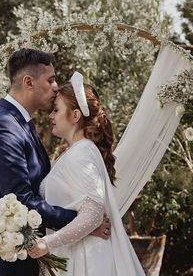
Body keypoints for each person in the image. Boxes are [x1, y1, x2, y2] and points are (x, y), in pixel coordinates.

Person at [0, 49, 109, 276]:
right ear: (28, 82)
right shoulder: (3, 127)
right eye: (50, 79)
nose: (56, 86)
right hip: (7, 265)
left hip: (25, 257)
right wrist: (83, 223)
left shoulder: (19, 123)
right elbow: (21, 199)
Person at [28, 72, 146, 276]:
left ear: (75, 115)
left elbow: (93, 215)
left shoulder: (82, 153)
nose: (51, 116)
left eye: (56, 110)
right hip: (76, 253)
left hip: (87, 260)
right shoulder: (74, 152)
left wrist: (46, 244)